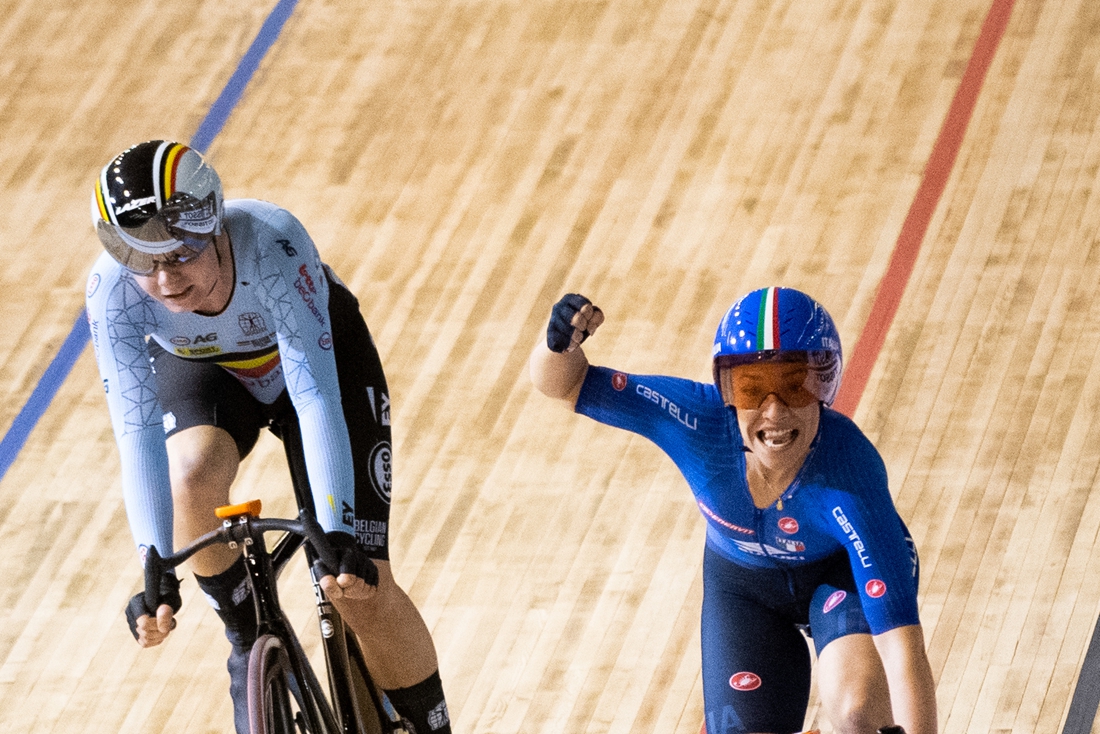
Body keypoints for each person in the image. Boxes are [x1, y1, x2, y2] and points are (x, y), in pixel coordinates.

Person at [86, 140, 452, 734]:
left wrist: (334, 530)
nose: (163, 279)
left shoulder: (271, 244)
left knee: (362, 591)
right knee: (189, 476)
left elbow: (313, 398)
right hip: (209, 373)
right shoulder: (113, 291)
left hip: (314, 366)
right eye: (141, 260)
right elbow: (137, 434)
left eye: (178, 255)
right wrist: (153, 564)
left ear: (214, 229)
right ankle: (245, 636)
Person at [528, 289, 937, 734]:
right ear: (726, 392)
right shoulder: (697, 422)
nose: (774, 411)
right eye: (752, 388)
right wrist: (556, 348)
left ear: (825, 385)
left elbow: (903, 652)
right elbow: (565, 384)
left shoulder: (852, 475)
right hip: (743, 589)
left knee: (857, 712)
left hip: (839, 575)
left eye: (794, 385)